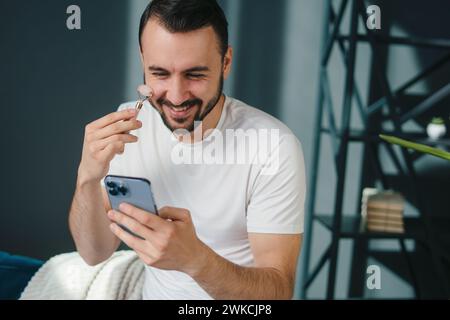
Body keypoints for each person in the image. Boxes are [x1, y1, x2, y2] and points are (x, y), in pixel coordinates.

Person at [69, 0, 306, 300]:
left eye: (195, 75)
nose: (177, 96)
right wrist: (87, 179)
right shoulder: (129, 126)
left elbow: (278, 293)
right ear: (143, 62)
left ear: (226, 62)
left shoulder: (273, 147)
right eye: (160, 74)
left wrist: (196, 260)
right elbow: (94, 253)